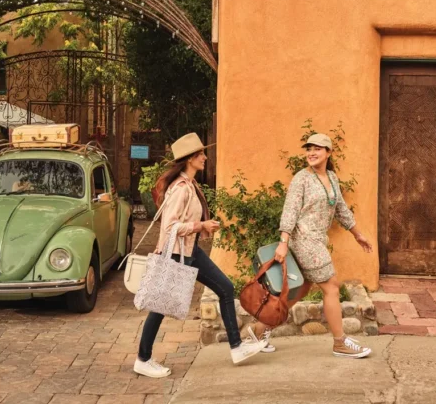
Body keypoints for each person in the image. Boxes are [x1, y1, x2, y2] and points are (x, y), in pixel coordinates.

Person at [134, 132, 268, 379]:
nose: (205, 157)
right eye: (200, 154)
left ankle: (237, 348)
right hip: (175, 253)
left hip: (189, 251)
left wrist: (201, 226)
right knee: (159, 306)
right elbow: (170, 226)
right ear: (189, 159)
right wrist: (201, 226)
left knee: (226, 289)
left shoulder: (191, 184)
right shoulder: (180, 189)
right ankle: (143, 359)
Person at [272, 132, 374, 358]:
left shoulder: (332, 178)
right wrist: (283, 242)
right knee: (332, 286)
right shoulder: (302, 178)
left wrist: (358, 234)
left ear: (328, 152)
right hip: (304, 239)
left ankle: (259, 330)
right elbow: (290, 210)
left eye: (317, 149)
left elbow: (340, 209)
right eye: (308, 149)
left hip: (318, 240)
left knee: (299, 291)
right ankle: (340, 343)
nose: (311, 153)